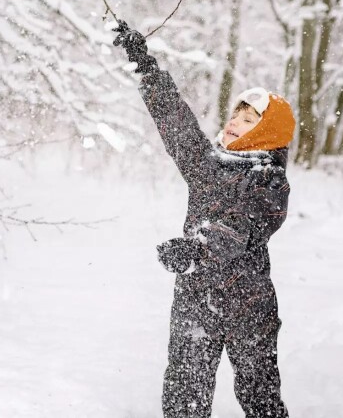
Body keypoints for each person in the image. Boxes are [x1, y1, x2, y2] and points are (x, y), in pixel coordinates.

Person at [113, 20, 294, 418]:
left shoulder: (271, 181)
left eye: (248, 121)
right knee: (184, 396)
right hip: (195, 300)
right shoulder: (208, 166)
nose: (233, 123)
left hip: (250, 306)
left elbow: (244, 231)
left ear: (269, 132)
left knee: (259, 397)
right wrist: (146, 68)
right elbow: (178, 127)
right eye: (235, 115)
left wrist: (198, 249)